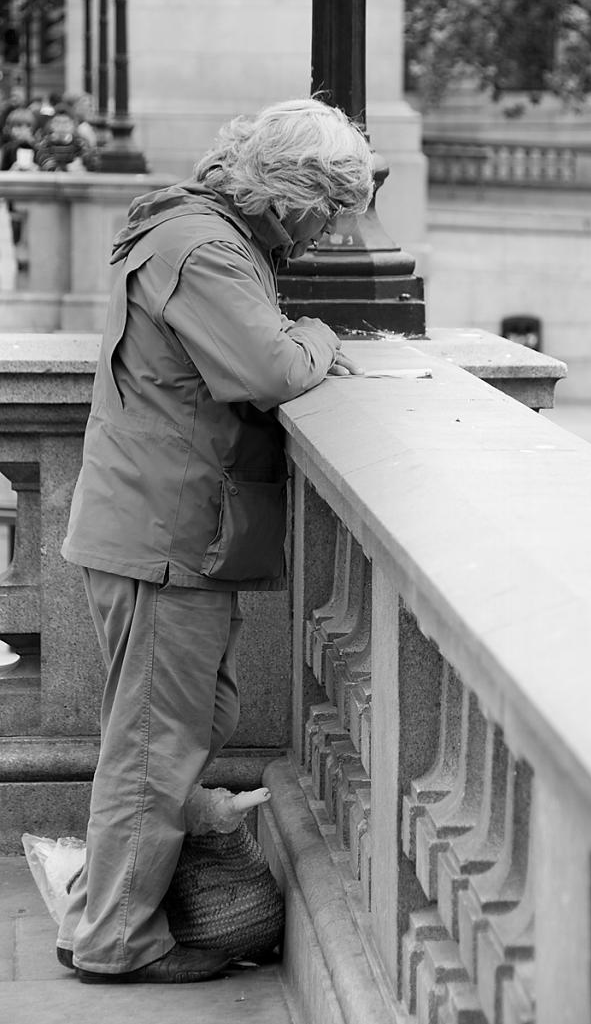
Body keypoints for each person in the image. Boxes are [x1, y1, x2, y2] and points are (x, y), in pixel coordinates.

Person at [56, 97, 374, 984]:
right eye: (326, 209)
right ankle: (116, 941)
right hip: (164, 533)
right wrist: (315, 333)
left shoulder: (194, 231)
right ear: (287, 190)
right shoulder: (203, 247)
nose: (328, 232)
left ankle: (98, 917)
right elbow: (271, 366)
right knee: (155, 748)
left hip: (159, 527)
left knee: (166, 735)